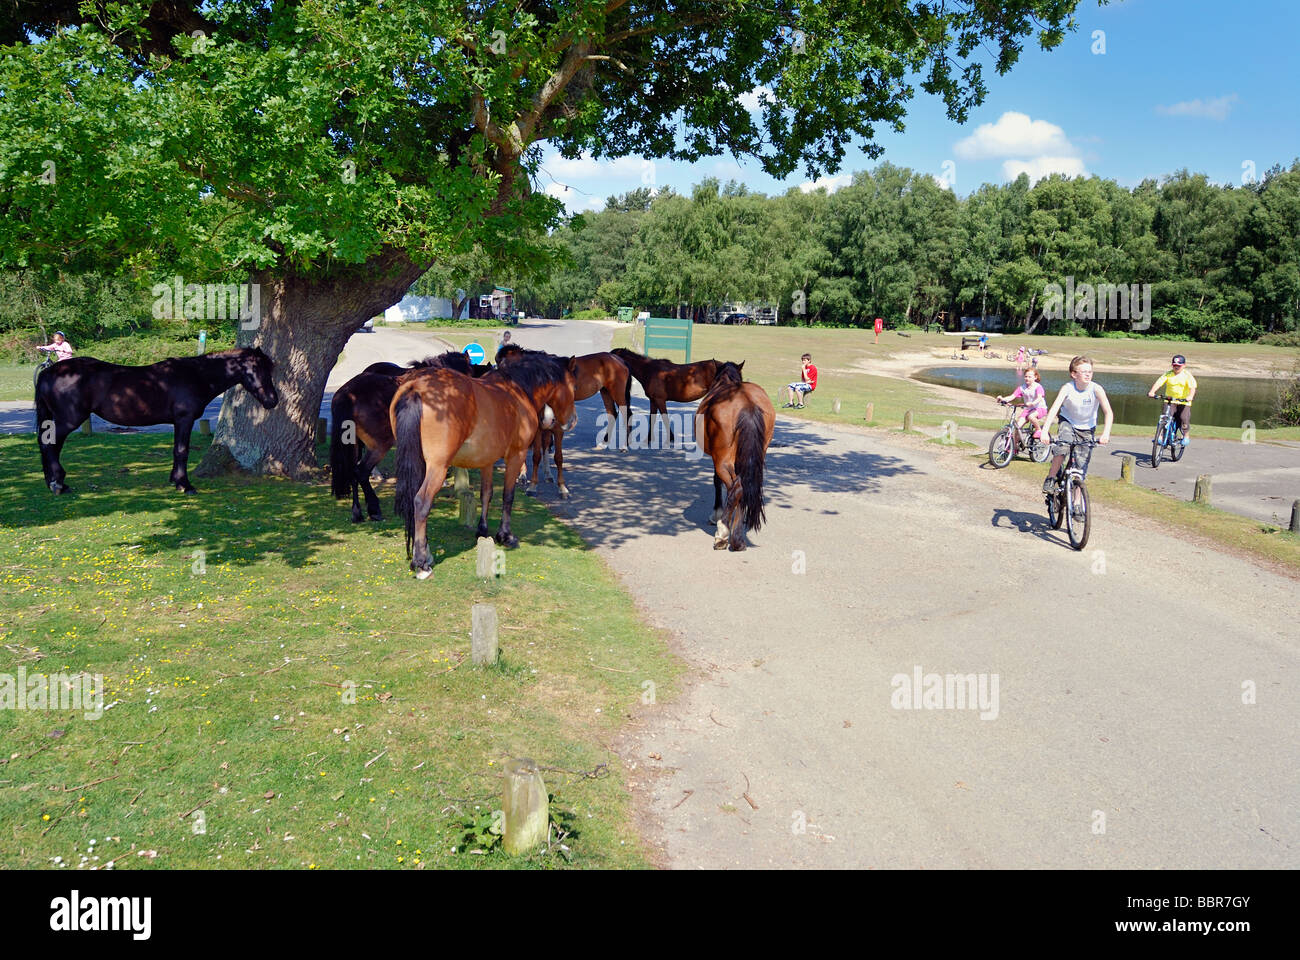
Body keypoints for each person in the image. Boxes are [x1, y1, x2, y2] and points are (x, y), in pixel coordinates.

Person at [1041, 355, 1113, 493]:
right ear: (1074, 374)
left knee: (1081, 468)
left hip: (1087, 428)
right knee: (1063, 447)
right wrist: (1045, 431)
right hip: (1068, 422)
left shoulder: (1096, 389)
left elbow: (1108, 412)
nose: (1088, 374)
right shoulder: (1067, 388)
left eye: (1090, 371)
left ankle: (1078, 504)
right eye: (1084, 371)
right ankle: (1050, 478)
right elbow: (1054, 409)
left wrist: (1106, 433)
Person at [1147, 354, 1197, 447]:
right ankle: (1161, 436)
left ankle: (1186, 435)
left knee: (1183, 418)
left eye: (1179, 365)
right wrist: (1152, 392)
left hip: (1183, 401)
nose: (1176, 367)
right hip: (1170, 401)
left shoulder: (1187, 375)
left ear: (1184, 365)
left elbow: (1192, 387)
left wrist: (1190, 396)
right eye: (1174, 365)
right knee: (1165, 418)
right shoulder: (1168, 374)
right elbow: (1159, 382)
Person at [996, 368, 1048, 439]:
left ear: (1035, 377)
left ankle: (1038, 430)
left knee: (1031, 416)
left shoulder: (1038, 387)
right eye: (1026, 376)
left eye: (1030, 377)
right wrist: (1003, 399)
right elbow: (1012, 396)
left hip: (1040, 408)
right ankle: (1014, 447)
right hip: (1029, 409)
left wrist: (1032, 403)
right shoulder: (1022, 388)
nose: (1027, 378)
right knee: (1017, 427)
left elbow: (1039, 398)